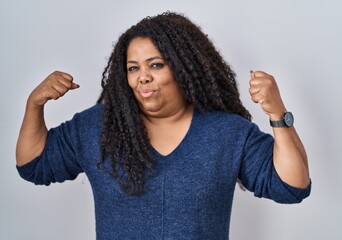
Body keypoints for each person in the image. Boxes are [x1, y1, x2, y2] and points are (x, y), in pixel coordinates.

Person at [16, 11, 311, 240]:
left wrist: (278, 114)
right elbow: (34, 165)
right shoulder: (97, 127)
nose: (143, 76)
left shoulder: (227, 133)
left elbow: (290, 186)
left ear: (184, 69)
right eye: (134, 68)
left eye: (155, 65)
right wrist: (34, 105)